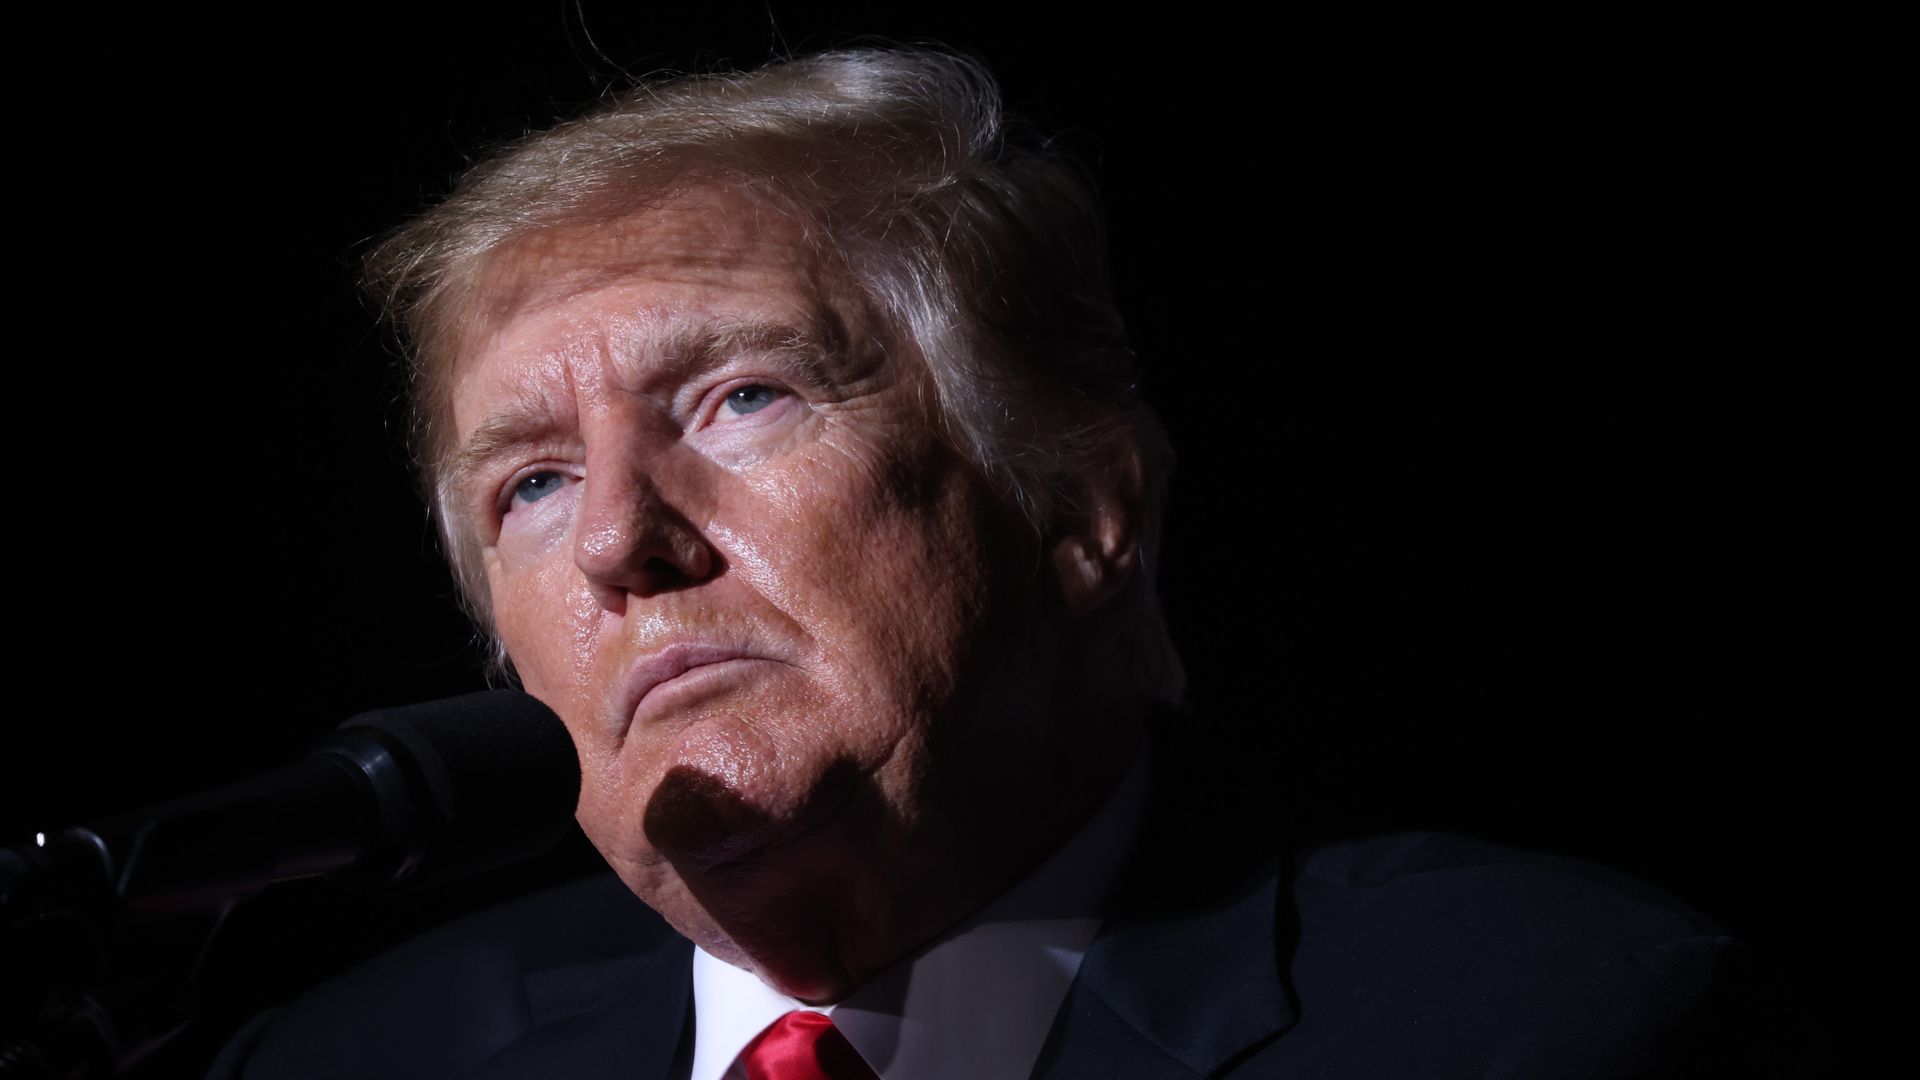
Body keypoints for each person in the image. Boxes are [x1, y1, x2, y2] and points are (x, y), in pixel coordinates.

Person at [210, 48, 1774, 1079]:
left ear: (1084, 509)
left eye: (742, 398)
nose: (621, 541)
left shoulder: (1544, 1020)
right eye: (533, 484)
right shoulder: (337, 1062)